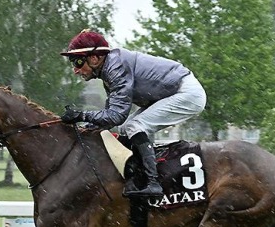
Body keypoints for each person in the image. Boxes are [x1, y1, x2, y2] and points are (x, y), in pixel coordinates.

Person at [60, 29, 207, 198]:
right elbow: (111, 119)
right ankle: (138, 175)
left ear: (94, 58)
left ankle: (153, 182)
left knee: (135, 125)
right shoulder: (109, 69)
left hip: (187, 93)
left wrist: (81, 115)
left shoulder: (115, 67)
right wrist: (85, 127)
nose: (75, 70)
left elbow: (116, 116)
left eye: (77, 62)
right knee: (124, 128)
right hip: (172, 92)